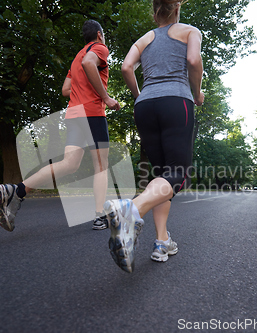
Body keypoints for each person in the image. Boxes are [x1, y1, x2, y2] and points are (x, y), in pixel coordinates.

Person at [104, 0, 204, 273]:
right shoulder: (189, 31)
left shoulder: (144, 39)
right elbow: (193, 61)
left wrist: (140, 97)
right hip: (176, 101)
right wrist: (197, 93)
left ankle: (162, 241)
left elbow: (126, 68)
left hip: (145, 106)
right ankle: (130, 210)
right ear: (177, 7)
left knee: (162, 176)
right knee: (178, 175)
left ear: (154, 9)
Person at [0, 20, 121, 232]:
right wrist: (105, 97)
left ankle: (17, 190)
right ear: (99, 35)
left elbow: (65, 89)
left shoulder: (76, 58)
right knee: (101, 166)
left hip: (74, 114)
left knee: (69, 164)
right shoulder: (99, 49)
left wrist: (83, 92)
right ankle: (100, 216)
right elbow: (90, 64)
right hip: (91, 113)